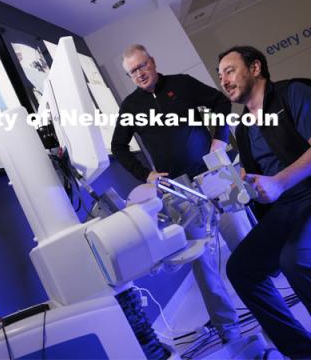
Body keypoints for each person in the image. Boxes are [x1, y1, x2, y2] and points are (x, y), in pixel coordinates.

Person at [112, 44, 249, 342]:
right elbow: (118, 148)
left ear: (153, 61)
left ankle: (265, 299)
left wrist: (219, 139)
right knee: (203, 262)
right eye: (133, 71)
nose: (140, 74)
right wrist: (145, 174)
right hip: (178, 189)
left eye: (142, 66)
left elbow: (220, 103)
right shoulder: (130, 106)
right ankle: (229, 328)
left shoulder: (181, 84)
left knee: (243, 239)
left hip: (214, 172)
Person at [218, 45, 311, 358]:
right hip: (285, 208)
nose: (224, 80)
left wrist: (279, 182)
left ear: (255, 68)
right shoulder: (242, 127)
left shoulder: (292, 94)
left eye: (230, 71)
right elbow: (255, 175)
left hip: (308, 193)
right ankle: (302, 351)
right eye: (220, 76)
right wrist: (230, 189)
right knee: (241, 269)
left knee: (293, 260)